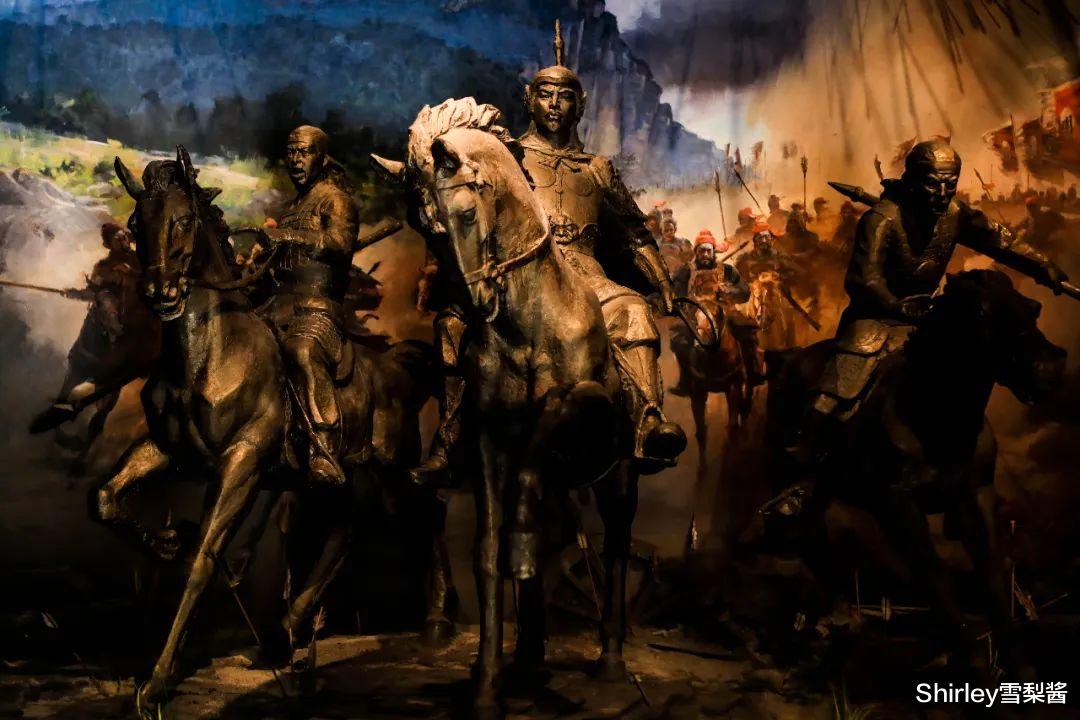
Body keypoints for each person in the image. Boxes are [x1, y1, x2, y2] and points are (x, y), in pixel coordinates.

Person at [412, 25, 686, 483]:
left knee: (635, 313)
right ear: (529, 100)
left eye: (565, 96)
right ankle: (451, 436)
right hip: (516, 279)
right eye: (545, 94)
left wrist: (663, 285)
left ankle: (647, 421)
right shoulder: (508, 159)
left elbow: (635, 236)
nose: (554, 104)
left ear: (581, 105)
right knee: (452, 325)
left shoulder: (597, 170)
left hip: (589, 278)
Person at [790, 139, 1068, 464]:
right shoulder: (881, 219)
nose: (942, 194)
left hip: (928, 313)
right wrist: (894, 305)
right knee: (838, 389)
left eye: (950, 184)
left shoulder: (955, 213)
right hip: (875, 318)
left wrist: (1042, 265)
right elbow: (864, 279)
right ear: (912, 180)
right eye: (933, 184)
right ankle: (806, 463)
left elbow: (998, 239)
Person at [256, 125, 360, 485]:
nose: (296, 160)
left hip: (318, 306)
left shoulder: (335, 200)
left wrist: (288, 236)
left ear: (322, 158)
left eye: (304, 152)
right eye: (291, 152)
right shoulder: (289, 208)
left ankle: (323, 447)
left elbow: (339, 243)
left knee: (302, 350)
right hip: (277, 305)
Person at [30, 223, 162, 440]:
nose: (123, 241)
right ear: (108, 244)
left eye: (124, 237)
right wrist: (76, 294)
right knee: (102, 308)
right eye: (117, 239)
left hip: (138, 321)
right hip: (110, 323)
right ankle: (61, 405)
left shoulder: (142, 263)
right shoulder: (104, 267)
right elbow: (95, 293)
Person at [669, 230, 762, 396]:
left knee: (748, 331)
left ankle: (752, 371)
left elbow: (744, 291)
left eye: (708, 251)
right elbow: (676, 292)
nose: (705, 254)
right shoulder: (686, 271)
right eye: (701, 251)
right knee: (678, 338)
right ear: (696, 252)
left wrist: (728, 290)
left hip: (723, 310)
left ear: (713, 252)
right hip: (695, 311)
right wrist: (684, 301)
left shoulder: (726, 270)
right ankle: (685, 380)